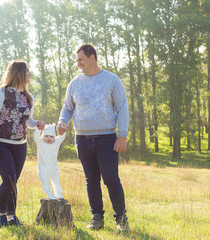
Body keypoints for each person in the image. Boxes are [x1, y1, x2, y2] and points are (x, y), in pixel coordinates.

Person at [56, 44, 130, 232]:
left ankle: (121, 220)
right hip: (83, 139)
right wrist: (62, 122)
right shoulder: (74, 83)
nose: (78, 62)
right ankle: (97, 217)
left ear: (92, 58)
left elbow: (122, 108)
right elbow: (67, 108)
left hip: (107, 138)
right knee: (91, 180)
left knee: (111, 179)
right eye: (77, 59)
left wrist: (122, 136)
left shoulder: (111, 80)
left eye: (81, 59)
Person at [0, 60, 45, 227]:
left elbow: (26, 121)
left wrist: (36, 124)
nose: (30, 74)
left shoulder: (29, 97)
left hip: (20, 145)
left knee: (14, 181)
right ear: (19, 73)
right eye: (28, 71)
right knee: (9, 179)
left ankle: (12, 217)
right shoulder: (1, 93)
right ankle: (1, 215)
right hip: (1, 144)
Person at [33, 123, 66, 200]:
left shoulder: (56, 143)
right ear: (42, 136)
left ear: (54, 137)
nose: (49, 138)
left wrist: (63, 129)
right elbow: (35, 136)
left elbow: (62, 136)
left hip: (54, 169)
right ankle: (50, 194)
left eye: (51, 136)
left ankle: (59, 194)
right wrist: (38, 129)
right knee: (46, 183)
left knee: (56, 181)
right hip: (43, 169)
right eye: (46, 136)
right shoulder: (40, 142)